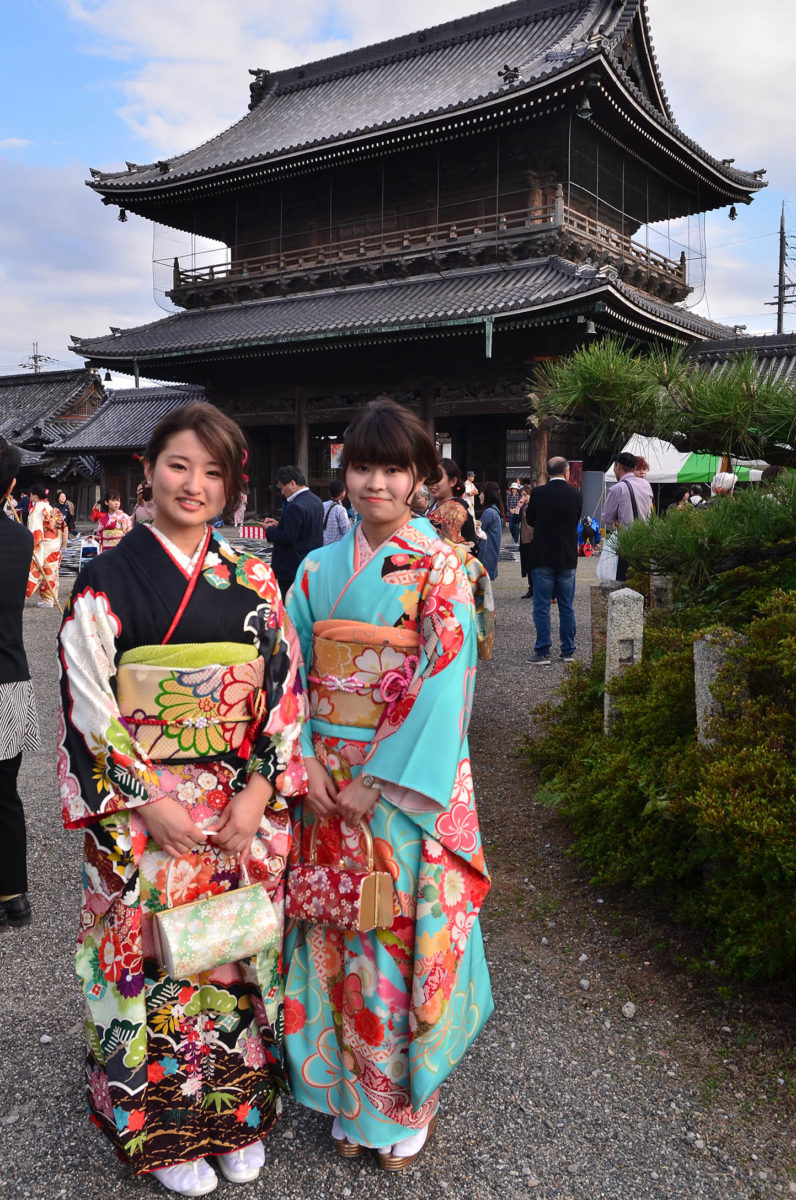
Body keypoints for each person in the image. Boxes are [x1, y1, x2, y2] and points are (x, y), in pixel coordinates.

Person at [57, 402, 306, 1196]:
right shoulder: (105, 578)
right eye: (178, 465)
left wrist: (260, 792)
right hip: (143, 811)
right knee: (150, 957)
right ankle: (160, 1128)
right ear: (148, 471)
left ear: (234, 485)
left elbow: (283, 692)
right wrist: (143, 802)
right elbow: (88, 705)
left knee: (227, 957)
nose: (193, 484)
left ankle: (233, 1116)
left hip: (234, 806)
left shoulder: (255, 576)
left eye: (213, 471)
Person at [284, 397, 493, 1169]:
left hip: (398, 789)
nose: (375, 482)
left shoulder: (443, 567)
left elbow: (445, 679)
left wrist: (377, 778)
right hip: (322, 780)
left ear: (420, 479)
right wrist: (301, 759)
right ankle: (347, 1094)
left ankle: (403, 1103)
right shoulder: (315, 569)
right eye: (362, 466)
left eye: (393, 468)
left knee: (395, 935)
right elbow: (289, 674)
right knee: (332, 930)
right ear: (345, 473)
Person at [0, 439, 40, 930]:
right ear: (11, 485)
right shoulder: (21, 539)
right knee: (6, 792)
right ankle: (15, 896)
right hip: (10, 677)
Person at [525, 457, 582, 666]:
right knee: (566, 605)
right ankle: (567, 650)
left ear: (548, 472)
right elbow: (576, 518)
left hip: (542, 555)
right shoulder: (575, 494)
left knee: (541, 605)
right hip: (567, 555)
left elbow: (530, 519)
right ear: (566, 472)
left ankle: (542, 651)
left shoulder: (538, 493)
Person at [263, 465, 323, 596]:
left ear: (292, 483)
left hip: (292, 565)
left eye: (282, 487)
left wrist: (269, 530)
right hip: (311, 561)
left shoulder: (295, 506)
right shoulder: (316, 500)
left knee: (290, 603)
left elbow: (287, 537)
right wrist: (279, 525)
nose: (282, 492)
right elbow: (303, 529)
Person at [601, 451, 654, 582]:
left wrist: (616, 519)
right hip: (646, 539)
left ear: (618, 466)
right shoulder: (646, 485)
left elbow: (606, 518)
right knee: (642, 580)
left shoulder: (617, 488)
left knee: (625, 582)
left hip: (627, 542)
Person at [426, 457, 478, 549]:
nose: (432, 482)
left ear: (453, 481)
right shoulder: (431, 509)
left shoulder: (459, 509)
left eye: (437, 477)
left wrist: (445, 544)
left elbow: (472, 546)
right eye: (430, 477)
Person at [26, 481, 63, 608]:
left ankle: (48, 600)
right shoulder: (50, 507)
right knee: (51, 570)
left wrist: (33, 544)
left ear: (33, 495)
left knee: (43, 570)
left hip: (44, 543)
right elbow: (60, 525)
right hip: (54, 542)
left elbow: (36, 530)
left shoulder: (36, 509)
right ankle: (51, 597)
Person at [478, 480, 504, 581]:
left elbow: (478, 531)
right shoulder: (496, 510)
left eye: (482, 493)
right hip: (491, 555)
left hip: (485, 555)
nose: (479, 495)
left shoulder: (489, 512)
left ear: (488, 494)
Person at [321, 479, 351, 545]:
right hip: (335, 547)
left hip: (323, 546)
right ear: (342, 493)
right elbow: (346, 530)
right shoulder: (340, 509)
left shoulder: (322, 505)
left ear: (329, 492)